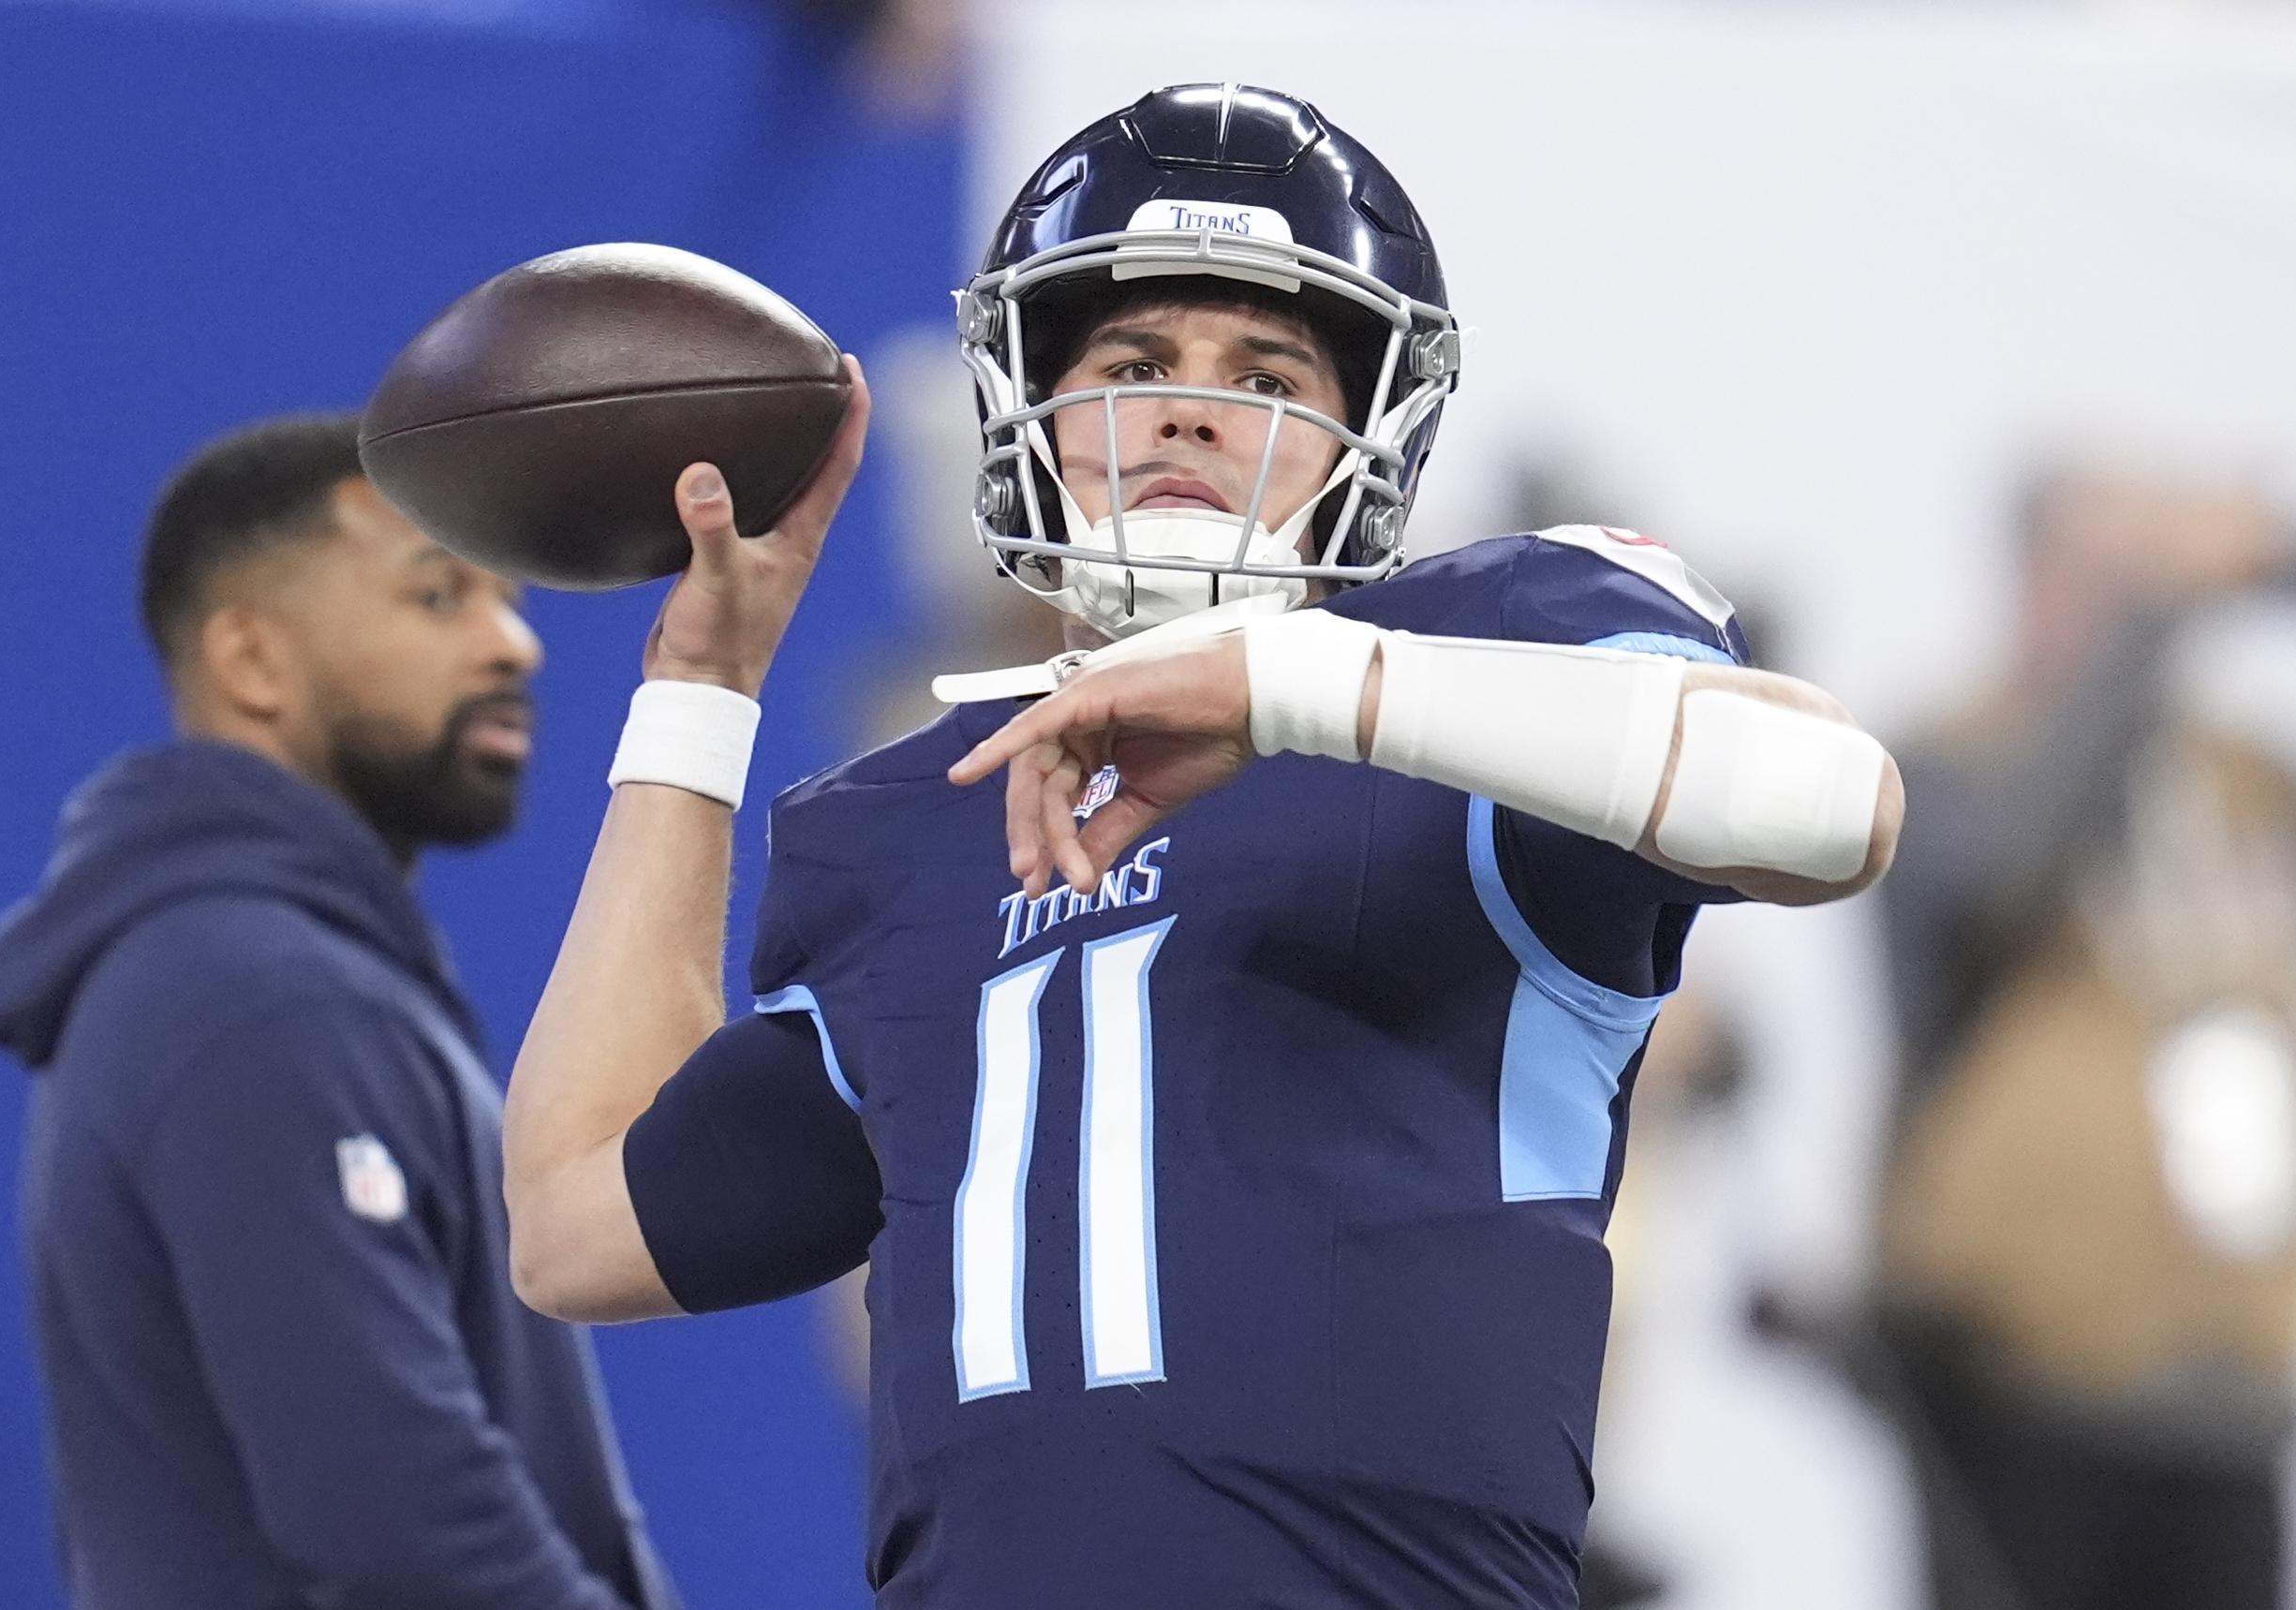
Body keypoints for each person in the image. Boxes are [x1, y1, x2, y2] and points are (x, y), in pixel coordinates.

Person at [503, 84, 1905, 1608]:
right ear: (1028, 406)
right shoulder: (909, 816)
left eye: (1264, 369)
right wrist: (697, 694)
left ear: (1367, 427)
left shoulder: (1497, 643)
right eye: (1131, 359)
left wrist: (1287, 684)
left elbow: (1828, 800)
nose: (1186, 407)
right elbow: (578, 1221)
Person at [0, 416, 678, 1610]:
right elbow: (408, 1535)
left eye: (506, 597)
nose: (516, 644)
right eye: (438, 597)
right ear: (252, 660)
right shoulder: (252, 1003)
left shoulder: (274, 971)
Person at [1873, 462, 2294, 1610]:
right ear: (2031, 580)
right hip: (2017, 1382)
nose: (2131, 602)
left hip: (2221, 1389)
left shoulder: (2237, 781)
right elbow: (2005, 870)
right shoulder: (1946, 759)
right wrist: (2154, 624)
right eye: (2104, 573)